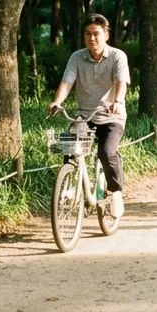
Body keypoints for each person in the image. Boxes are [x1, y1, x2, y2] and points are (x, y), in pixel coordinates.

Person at [48, 13, 130, 219]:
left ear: (106, 35)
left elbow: (121, 83)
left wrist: (117, 102)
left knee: (106, 152)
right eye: (87, 34)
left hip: (111, 116)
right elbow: (67, 82)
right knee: (70, 151)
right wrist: (57, 102)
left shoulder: (117, 56)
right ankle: (68, 187)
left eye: (96, 34)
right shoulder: (76, 57)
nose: (92, 38)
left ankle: (116, 193)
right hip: (83, 117)